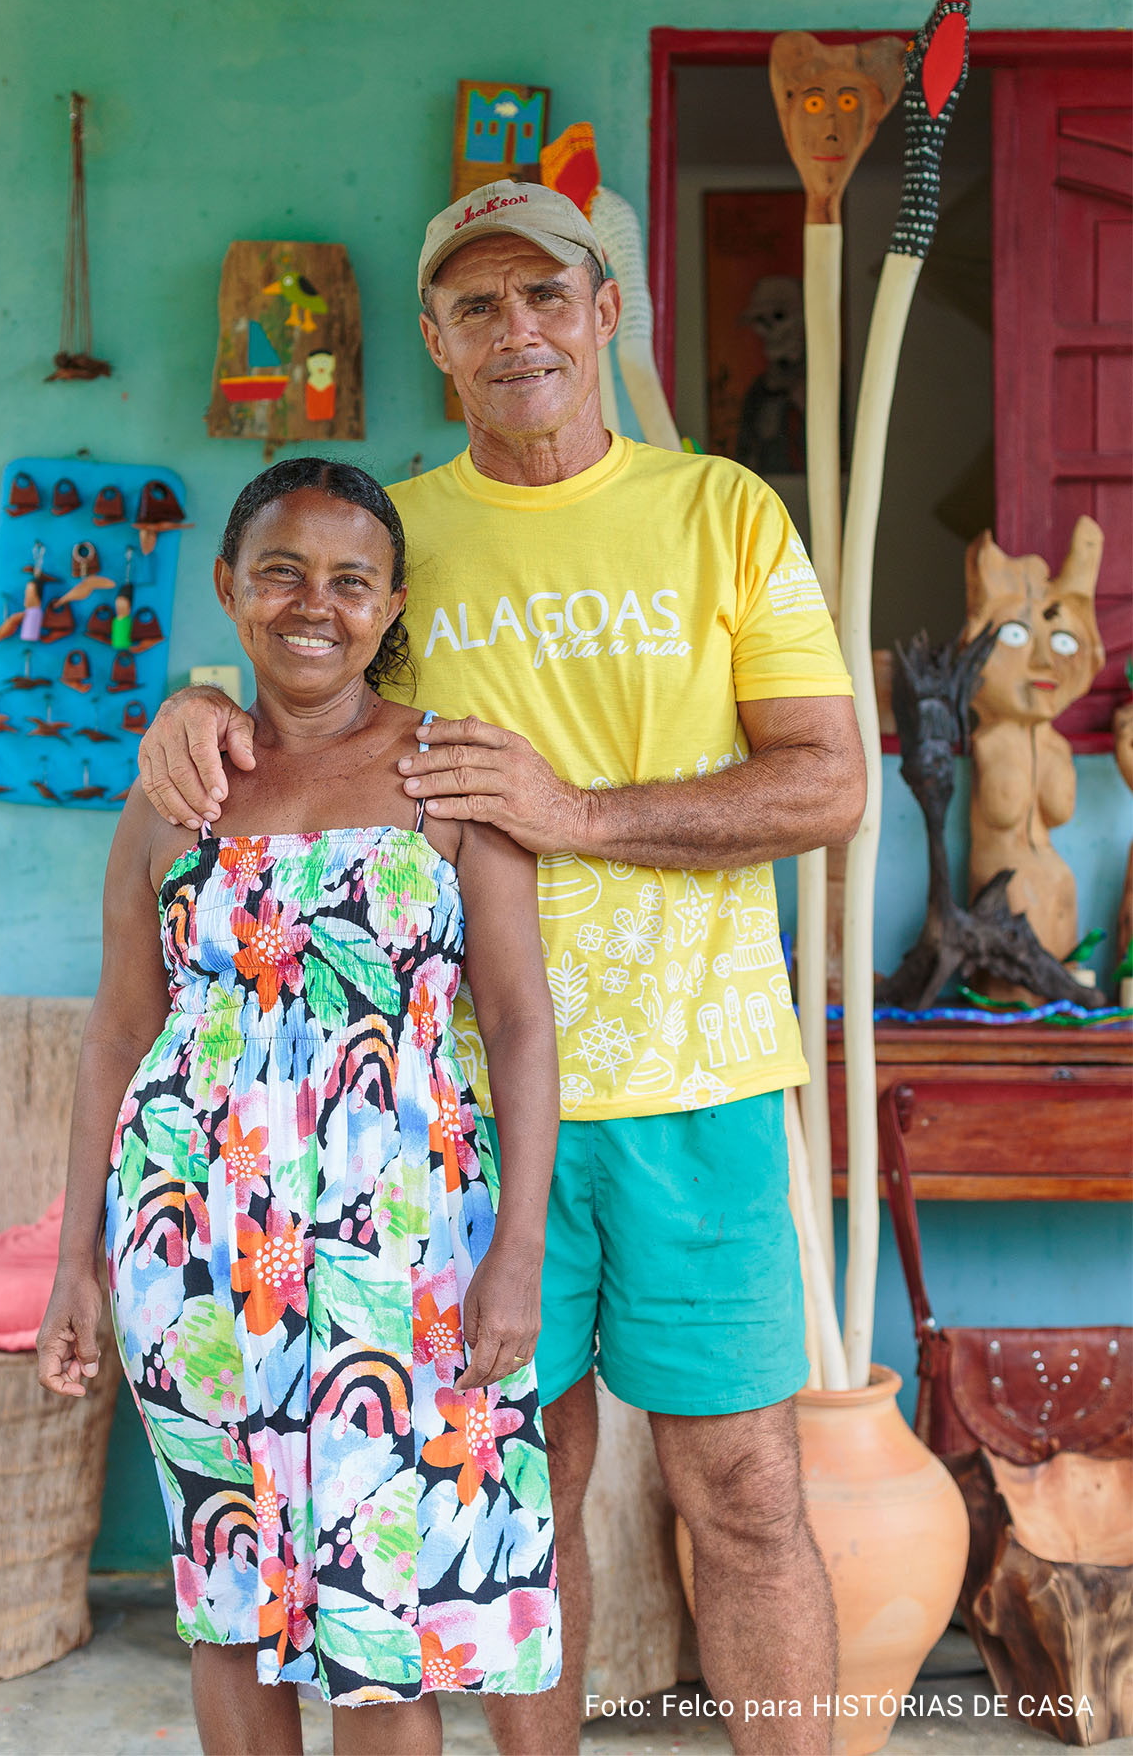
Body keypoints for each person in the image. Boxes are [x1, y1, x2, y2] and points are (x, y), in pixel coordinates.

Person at [140, 180, 868, 1756]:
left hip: (702, 1087)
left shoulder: (724, 513)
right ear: (435, 340)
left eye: (546, 294)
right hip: (446, 1132)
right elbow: (296, 697)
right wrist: (184, 710)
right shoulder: (404, 536)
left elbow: (827, 783)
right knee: (506, 1518)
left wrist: (577, 811)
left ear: (607, 310)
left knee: (741, 1493)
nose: (517, 329)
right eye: (477, 306)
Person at [38, 460, 562, 1756]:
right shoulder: (179, 796)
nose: (311, 603)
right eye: (279, 571)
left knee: (395, 1624)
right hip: (196, 1257)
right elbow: (117, 1029)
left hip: (412, 1266)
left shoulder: (454, 780)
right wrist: (75, 1265)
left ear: (390, 607)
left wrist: (521, 1253)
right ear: (229, 589)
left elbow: (520, 1024)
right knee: (230, 1602)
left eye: (348, 579)